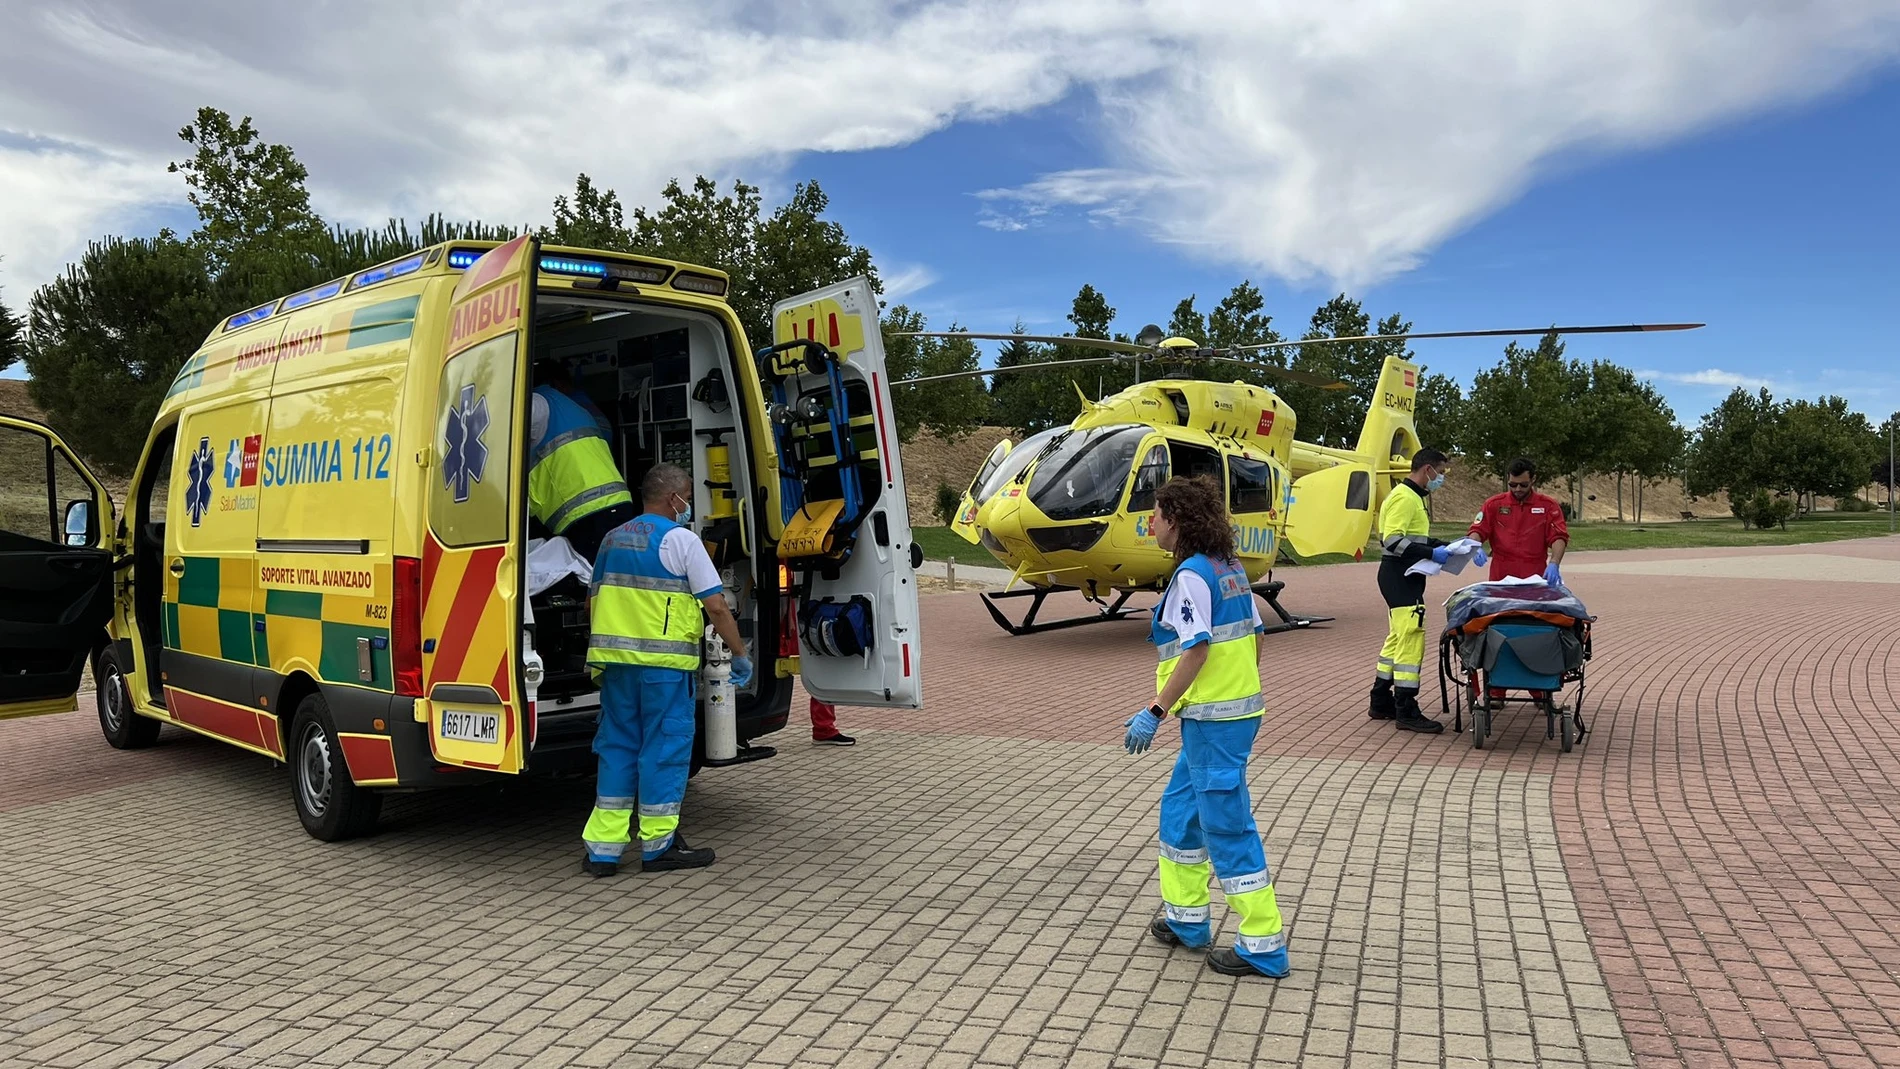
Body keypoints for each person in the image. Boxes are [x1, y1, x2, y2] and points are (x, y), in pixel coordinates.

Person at [1122, 475, 1290, 980]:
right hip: (1220, 717)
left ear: (1175, 520)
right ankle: (1187, 919)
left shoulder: (1193, 575)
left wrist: (1155, 711)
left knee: (1227, 827)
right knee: (1181, 812)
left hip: (1215, 721)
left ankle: (1263, 943)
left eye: (1155, 512)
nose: (1150, 520)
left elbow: (1196, 648)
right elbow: (1257, 635)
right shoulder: (1229, 567)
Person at [580, 463, 755, 877]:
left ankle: (603, 852)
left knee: (618, 749)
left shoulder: (611, 539)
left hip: (616, 667)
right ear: (672, 497)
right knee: (662, 750)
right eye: (688, 498)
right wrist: (739, 652)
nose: (688, 505)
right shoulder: (681, 540)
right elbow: (715, 606)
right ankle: (658, 847)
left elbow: (592, 604)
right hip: (663, 668)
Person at [1369, 448, 1456, 734]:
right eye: (1440, 474)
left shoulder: (1411, 498)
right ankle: (1405, 708)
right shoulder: (1404, 498)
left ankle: (1381, 699)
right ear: (1427, 469)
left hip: (1402, 576)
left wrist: (1449, 546)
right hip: (1399, 575)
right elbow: (1393, 541)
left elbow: (1415, 537)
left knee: (1398, 638)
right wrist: (1434, 552)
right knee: (1411, 639)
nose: (1440, 480)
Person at [530, 359, 635, 561]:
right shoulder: (576, 408)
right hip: (613, 504)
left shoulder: (537, 404)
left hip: (586, 510)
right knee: (610, 574)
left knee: (594, 580)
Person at [1467, 457, 1569, 584]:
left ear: (1533, 479)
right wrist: (1475, 547)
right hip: (1501, 573)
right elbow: (1477, 530)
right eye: (1513, 485)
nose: (1518, 489)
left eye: (1523, 485)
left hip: (1534, 573)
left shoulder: (1548, 506)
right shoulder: (1493, 504)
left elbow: (1558, 537)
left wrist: (1555, 563)